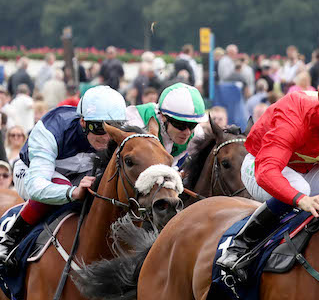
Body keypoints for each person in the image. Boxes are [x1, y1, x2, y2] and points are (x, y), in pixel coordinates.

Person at [216, 65, 319, 282]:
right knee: (300, 190)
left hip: (303, 169)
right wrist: (301, 199)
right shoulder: (294, 117)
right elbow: (267, 172)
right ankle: (239, 246)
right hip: (258, 165)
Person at [0, 85, 128, 268]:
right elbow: (36, 186)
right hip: (31, 173)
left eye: (113, 127)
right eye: (99, 128)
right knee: (61, 183)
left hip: (78, 176)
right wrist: (72, 192)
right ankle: (9, 239)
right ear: (83, 122)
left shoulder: (115, 133)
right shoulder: (52, 129)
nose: (107, 137)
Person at [133, 82, 206, 168]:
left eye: (192, 125)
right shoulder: (137, 121)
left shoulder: (197, 134)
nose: (187, 132)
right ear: (163, 116)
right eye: (181, 125)